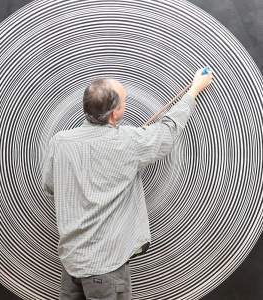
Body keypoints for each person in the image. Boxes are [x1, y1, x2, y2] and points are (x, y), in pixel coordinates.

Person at [42, 68, 213, 300]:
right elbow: (168, 131)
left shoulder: (59, 141)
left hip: (71, 262)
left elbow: (51, 186)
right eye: (125, 101)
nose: (126, 104)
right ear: (114, 114)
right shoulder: (129, 141)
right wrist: (193, 91)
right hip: (106, 269)